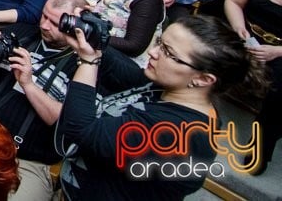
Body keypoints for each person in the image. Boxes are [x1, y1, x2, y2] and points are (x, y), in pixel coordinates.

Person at [55, 15, 268, 200]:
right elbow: (126, 74)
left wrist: (88, 61)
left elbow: (81, 130)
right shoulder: (169, 89)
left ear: (203, 79)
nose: (154, 53)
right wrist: (94, 37)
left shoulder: (177, 134)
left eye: (167, 52)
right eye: (160, 42)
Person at [0, 0, 90, 201]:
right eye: (44, 16)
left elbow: (64, 121)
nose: (45, 25)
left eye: (55, 23)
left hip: (25, 159)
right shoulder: (22, 32)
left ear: (75, 26)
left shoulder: (82, 65)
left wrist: (28, 84)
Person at [224, 0, 282, 175]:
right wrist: (239, 28)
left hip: (279, 51)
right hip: (246, 36)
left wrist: (275, 52)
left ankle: (260, 149)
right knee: (201, 50)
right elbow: (233, 1)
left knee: (279, 93)